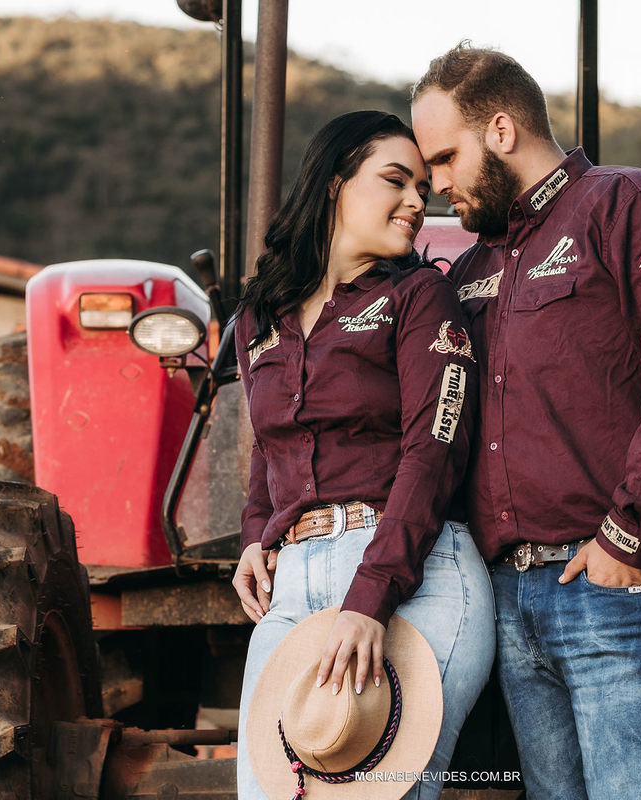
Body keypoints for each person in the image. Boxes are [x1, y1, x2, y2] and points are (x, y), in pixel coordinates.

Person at [410, 46, 641, 800]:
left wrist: (628, 533)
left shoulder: (629, 204)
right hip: (511, 598)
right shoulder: (472, 271)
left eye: (445, 158)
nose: (438, 185)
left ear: (501, 131)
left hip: (618, 582)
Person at [230, 110, 494, 800]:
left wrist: (369, 600)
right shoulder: (259, 315)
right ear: (334, 182)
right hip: (293, 584)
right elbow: (269, 444)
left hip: (415, 576)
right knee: (265, 791)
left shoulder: (419, 297)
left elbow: (434, 451)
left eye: (422, 189)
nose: (416, 201)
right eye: (395, 181)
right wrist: (256, 534)